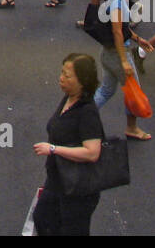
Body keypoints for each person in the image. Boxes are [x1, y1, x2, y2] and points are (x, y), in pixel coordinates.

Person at [32, 53, 105, 236]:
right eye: (62, 72)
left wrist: (54, 149)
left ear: (82, 81)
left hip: (77, 188)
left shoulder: (87, 112)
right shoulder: (68, 99)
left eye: (67, 75)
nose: (61, 78)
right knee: (42, 219)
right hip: (58, 180)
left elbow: (92, 152)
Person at [93, 0, 152, 140]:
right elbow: (118, 32)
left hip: (107, 54)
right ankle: (132, 128)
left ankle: (79, 117)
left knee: (105, 91)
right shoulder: (117, 2)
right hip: (119, 55)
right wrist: (124, 61)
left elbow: (122, 29)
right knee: (133, 92)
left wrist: (138, 39)